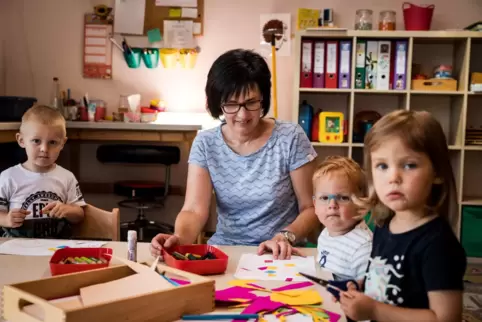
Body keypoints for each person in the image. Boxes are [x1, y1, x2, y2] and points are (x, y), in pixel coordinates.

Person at [150, 49, 318, 259]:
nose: (242, 115)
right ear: (218, 102)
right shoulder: (206, 143)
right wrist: (179, 238)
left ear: (263, 99)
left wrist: (285, 236)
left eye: (251, 102)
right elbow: (194, 210)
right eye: (231, 104)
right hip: (226, 251)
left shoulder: (290, 137)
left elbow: (310, 208)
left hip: (280, 253)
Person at [339, 110, 467, 322]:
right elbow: (388, 279)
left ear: (436, 172)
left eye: (409, 165)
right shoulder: (384, 225)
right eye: (382, 166)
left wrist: (374, 310)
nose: (393, 177)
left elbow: (446, 318)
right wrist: (364, 288)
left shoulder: (438, 244)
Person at [0, 105, 86, 238]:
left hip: (56, 248)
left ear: (62, 143)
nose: (44, 149)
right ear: (21, 140)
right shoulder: (7, 177)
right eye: (36, 141)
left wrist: (67, 210)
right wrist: (6, 219)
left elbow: (79, 215)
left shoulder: (67, 177)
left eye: (52, 142)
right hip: (17, 248)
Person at [312, 156, 372, 281]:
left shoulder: (363, 248)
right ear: (315, 205)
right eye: (324, 198)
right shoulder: (326, 233)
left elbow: (368, 293)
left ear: (361, 206)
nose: (332, 205)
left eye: (343, 198)